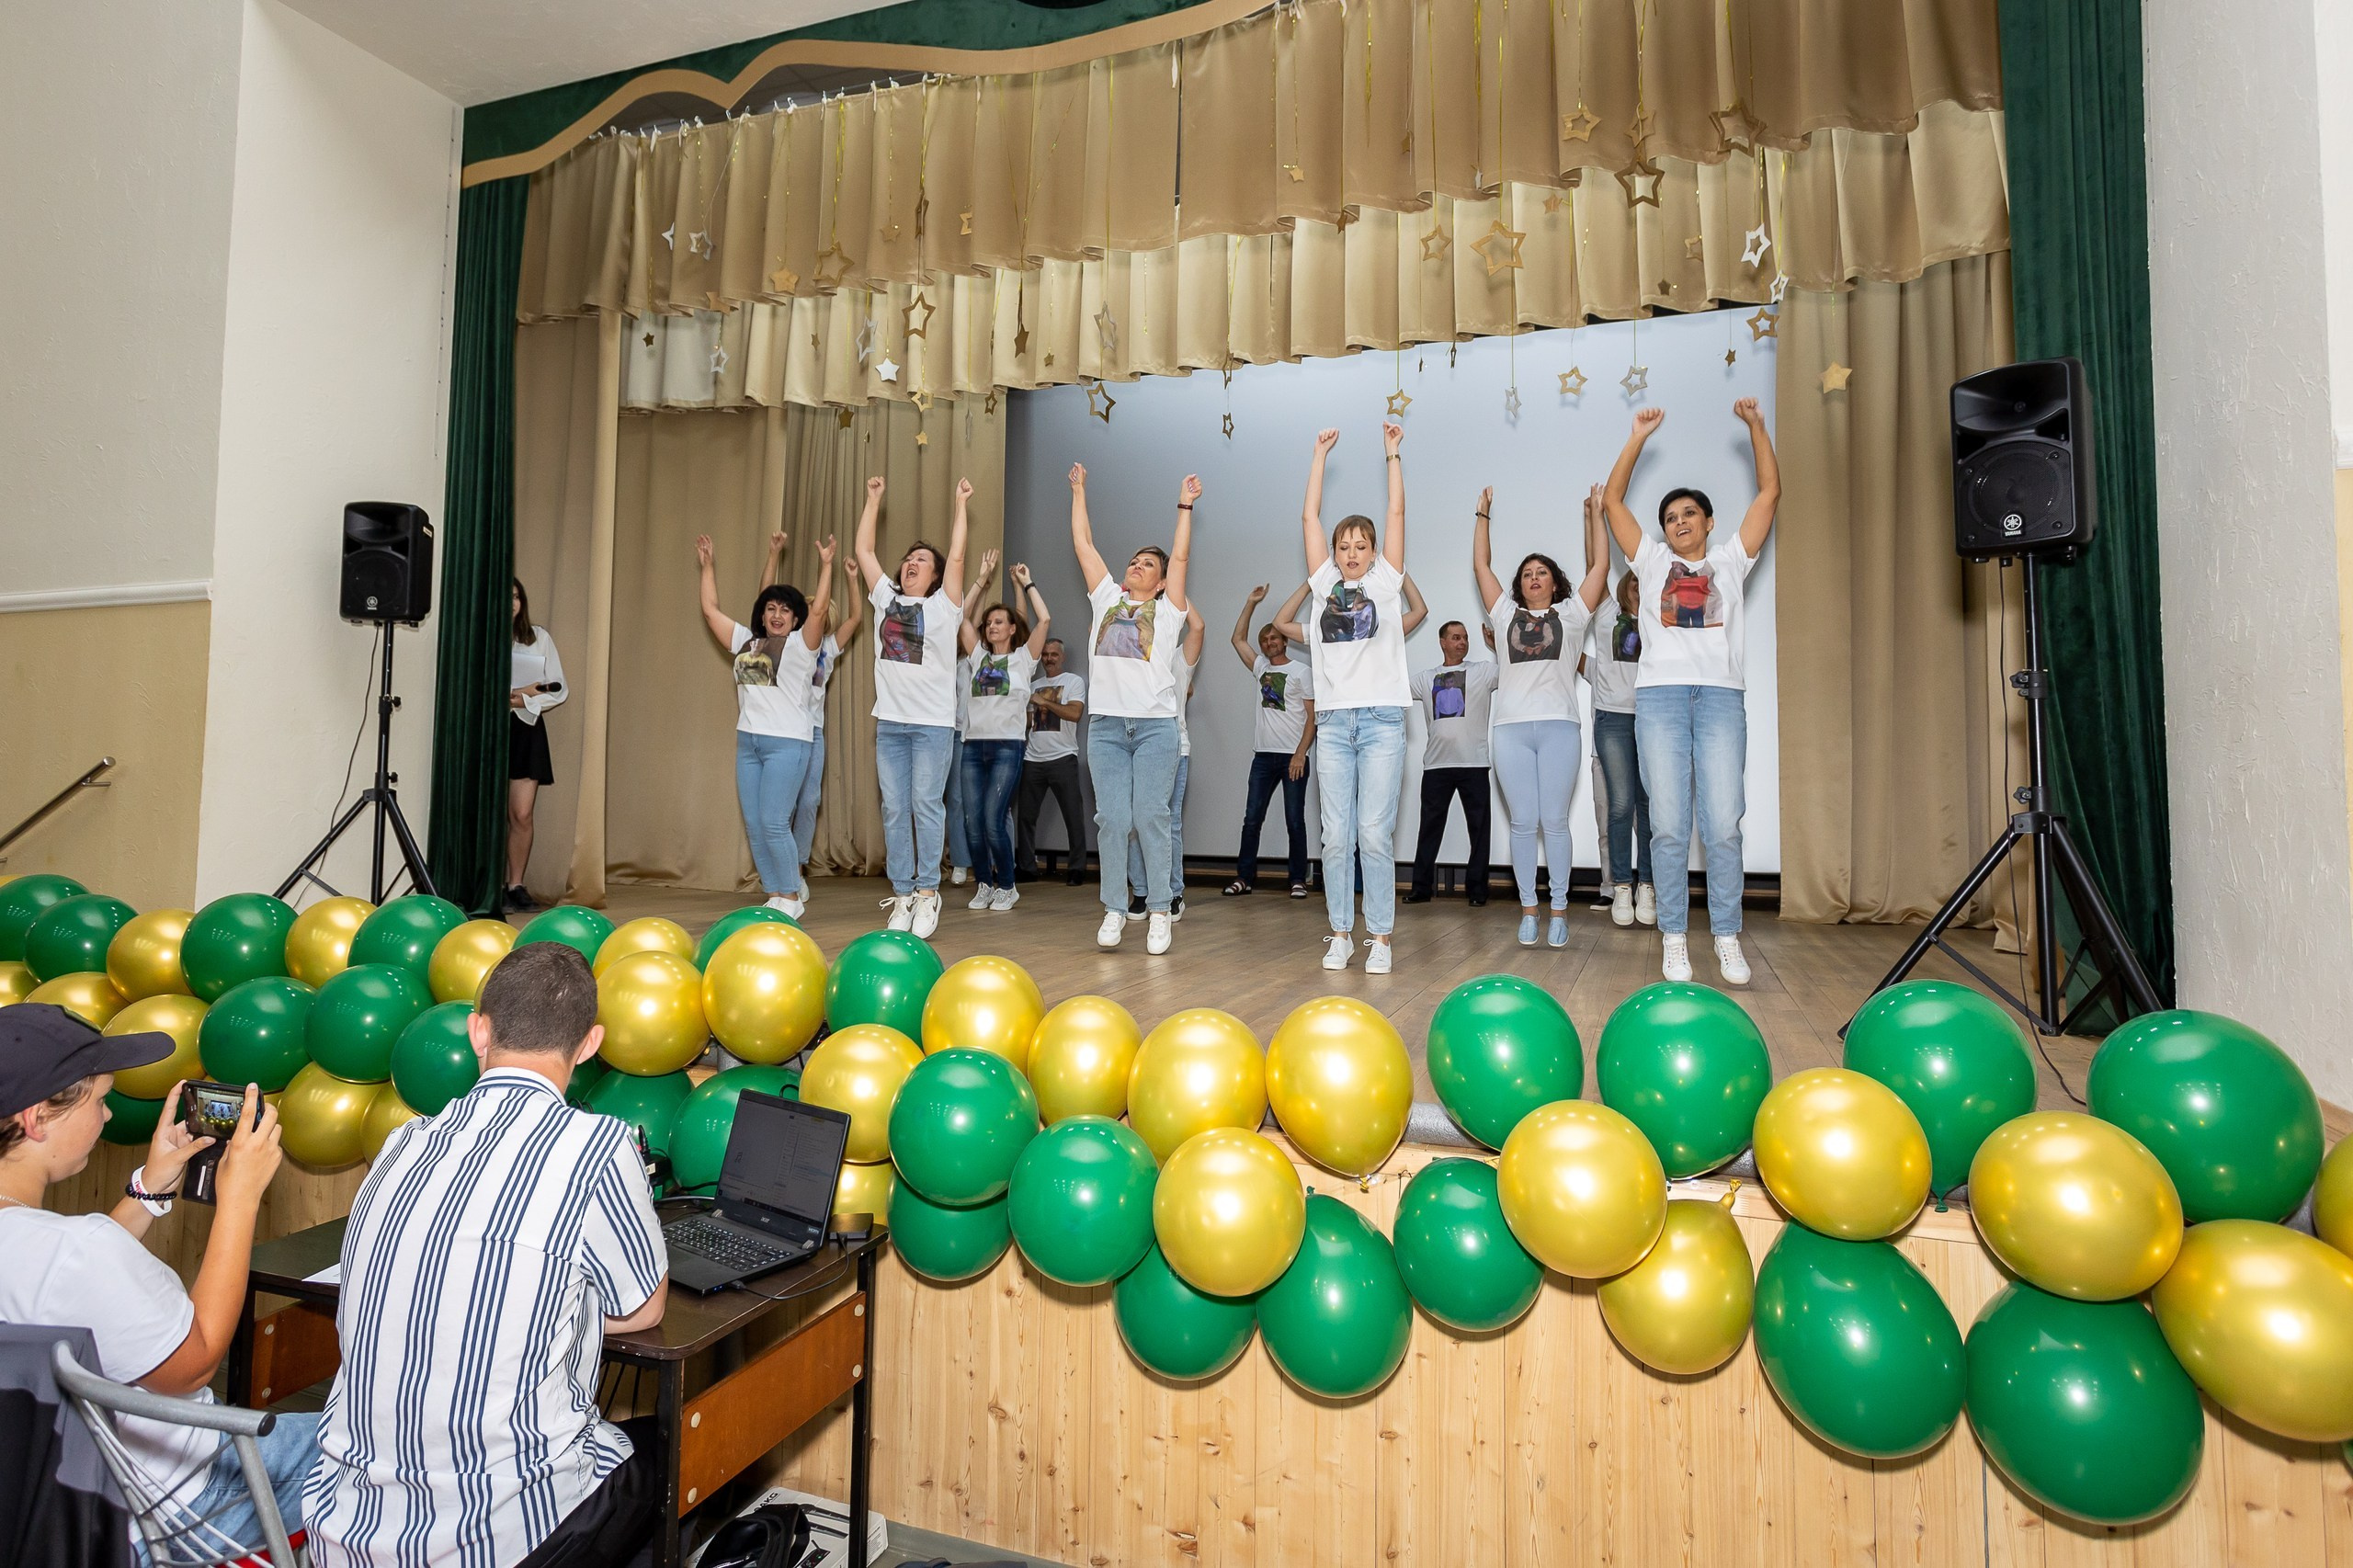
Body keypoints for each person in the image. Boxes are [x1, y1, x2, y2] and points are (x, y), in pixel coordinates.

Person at [304, 943, 668, 1568]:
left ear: (479, 1032)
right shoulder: (596, 1145)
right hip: (501, 1539)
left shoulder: (402, 1141)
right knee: (668, 1450)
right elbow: (641, 1309)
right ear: (589, 1045)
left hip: (345, 1535)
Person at [0, 1005, 311, 1560]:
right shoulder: (80, 1251)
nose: (108, 1118)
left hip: (43, 1509)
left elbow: (61, 1280)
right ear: (35, 1118)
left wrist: (150, 1186)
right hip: (172, 1508)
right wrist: (238, 1200)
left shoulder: (56, 1250)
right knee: (371, 1445)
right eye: (98, 1101)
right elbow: (194, 1363)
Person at [1602, 399, 1780, 984]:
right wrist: (1636, 438)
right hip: (1661, 701)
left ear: (1708, 522)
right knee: (1671, 825)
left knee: (1724, 823)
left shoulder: (1731, 561)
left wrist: (1757, 427)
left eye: (1689, 514)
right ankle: (1674, 938)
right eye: (1671, 516)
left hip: (1721, 700)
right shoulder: (1651, 563)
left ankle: (1727, 936)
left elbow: (1769, 494)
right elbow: (1612, 502)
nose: (1679, 522)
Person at [1296, 423, 1412, 973]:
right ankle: (1340, 932)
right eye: (1344, 547)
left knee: (1373, 831)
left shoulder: (1387, 583)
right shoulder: (1322, 586)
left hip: (1384, 720)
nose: (1350, 553)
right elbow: (1309, 519)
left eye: (1359, 546)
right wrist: (1318, 456)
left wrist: (1391, 454)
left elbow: (1396, 515)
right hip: (1337, 723)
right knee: (1336, 834)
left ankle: (1381, 938)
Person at [1475, 485, 1611, 948]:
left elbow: (1601, 567)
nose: (1534, 578)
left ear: (1555, 582)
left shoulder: (1573, 615)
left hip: (1559, 728)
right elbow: (1481, 567)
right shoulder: (1504, 614)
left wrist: (1595, 514)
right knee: (1521, 822)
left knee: (1553, 821)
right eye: (1528, 574)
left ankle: (1558, 910)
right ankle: (1528, 910)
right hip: (1511, 729)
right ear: (1520, 585)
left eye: (1543, 573)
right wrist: (1482, 514)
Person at [1070, 462, 1196, 955]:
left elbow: (1181, 555)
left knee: (1151, 816)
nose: (1137, 566)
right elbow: (1083, 543)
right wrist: (1080, 490)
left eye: (1148, 565)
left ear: (1162, 583)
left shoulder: (1168, 611)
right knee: (1112, 819)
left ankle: (1160, 910)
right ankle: (1114, 909)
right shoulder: (1106, 598)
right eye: (1135, 561)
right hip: (1104, 728)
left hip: (1154, 730)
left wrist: (1184, 505)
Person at [697, 530, 838, 919]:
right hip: (750, 744)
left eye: (785, 611)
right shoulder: (745, 640)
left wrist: (827, 566)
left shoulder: (800, 647)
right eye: (771, 608)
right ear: (763, 614)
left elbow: (822, 611)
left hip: (788, 744)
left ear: (796, 619)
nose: (777, 615)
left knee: (776, 822)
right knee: (757, 825)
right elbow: (710, 611)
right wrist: (707, 566)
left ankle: (791, 897)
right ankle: (774, 893)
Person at [853, 473, 971, 937]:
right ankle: (902, 895)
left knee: (926, 803)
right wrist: (873, 498)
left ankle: (927, 893)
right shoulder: (886, 599)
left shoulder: (944, 607)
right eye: (908, 558)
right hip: (891, 724)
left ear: (937, 575)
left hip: (932, 727)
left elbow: (958, 554)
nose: (910, 564)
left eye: (922, 560)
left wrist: (960, 504)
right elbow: (865, 552)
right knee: (895, 809)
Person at [757, 533, 862, 874]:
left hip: (812, 731)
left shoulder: (828, 648)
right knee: (779, 804)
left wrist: (851, 579)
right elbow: (764, 598)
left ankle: (799, 864)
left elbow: (856, 619)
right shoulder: (783, 643)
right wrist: (773, 554)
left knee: (809, 800)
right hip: (782, 731)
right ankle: (781, 866)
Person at [959, 560, 1053, 911]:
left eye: (1000, 621)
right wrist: (982, 580)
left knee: (992, 820)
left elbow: (1044, 620)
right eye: (990, 622)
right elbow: (962, 617)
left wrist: (1027, 583)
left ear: (1013, 628)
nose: (992, 625)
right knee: (971, 822)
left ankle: (1007, 885)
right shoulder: (977, 656)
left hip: (1006, 747)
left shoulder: (1023, 660)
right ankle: (984, 883)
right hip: (973, 747)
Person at [1224, 585, 1316, 898]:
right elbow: (1237, 639)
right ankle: (1244, 879)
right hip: (1263, 757)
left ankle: (1297, 880)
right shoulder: (1260, 667)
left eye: (1274, 637)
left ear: (1285, 640)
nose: (1268, 642)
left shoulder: (1302, 672)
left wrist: (1301, 754)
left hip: (1293, 757)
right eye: (1264, 640)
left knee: (1294, 820)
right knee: (1252, 819)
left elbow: (1312, 717)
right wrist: (1250, 603)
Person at [1582, 562, 1655, 926]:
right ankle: (1621, 886)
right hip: (1613, 720)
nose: (1640, 588)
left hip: (1653, 717)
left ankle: (1649, 885)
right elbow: (1595, 564)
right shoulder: (1608, 613)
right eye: (1636, 582)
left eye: (1647, 583)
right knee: (1621, 804)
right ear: (1626, 585)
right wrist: (1593, 514)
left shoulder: (1661, 618)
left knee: (1649, 807)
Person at [1407, 619, 1498, 907]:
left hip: (1474, 763)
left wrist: (1495, 646)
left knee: (1480, 830)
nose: (1462, 643)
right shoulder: (1425, 678)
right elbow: (1391, 687)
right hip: (1436, 766)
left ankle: (1478, 891)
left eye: (1465, 638)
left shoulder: (1483, 671)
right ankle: (1421, 888)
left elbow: (1513, 669)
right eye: (1455, 637)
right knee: (1429, 828)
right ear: (1442, 642)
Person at [1124, 603, 1206, 919]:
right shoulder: (1132, 654)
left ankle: (1172, 893)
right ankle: (1142, 892)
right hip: (1133, 746)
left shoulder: (1178, 658)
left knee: (1166, 822)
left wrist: (1174, 588)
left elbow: (1198, 627)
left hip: (1174, 748)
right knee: (1132, 823)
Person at [506, 578, 566, 915]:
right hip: (489, 731)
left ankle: (515, 884)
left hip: (526, 728)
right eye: (505, 597)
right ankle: (485, 886)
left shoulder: (538, 637)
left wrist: (521, 699)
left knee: (522, 813)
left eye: (516, 595)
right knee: (488, 814)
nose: (512, 602)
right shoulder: (481, 636)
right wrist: (524, 690)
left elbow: (557, 689)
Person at [1017, 639, 1088, 883]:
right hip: (1032, 758)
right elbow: (1028, 722)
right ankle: (1026, 868)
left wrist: (1044, 702)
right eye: (1045, 654)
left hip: (1063, 757)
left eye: (1054, 654)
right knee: (1025, 817)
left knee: (1073, 816)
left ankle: (1077, 868)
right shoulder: (1032, 685)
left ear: (1062, 657)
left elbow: (1075, 713)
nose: (1049, 658)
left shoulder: (1073, 682)